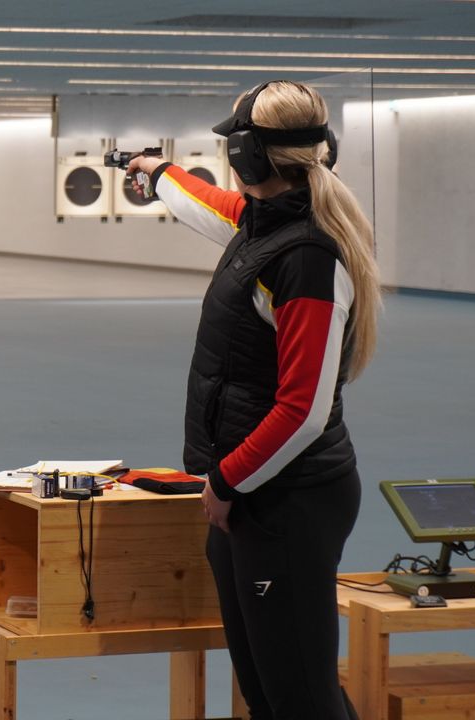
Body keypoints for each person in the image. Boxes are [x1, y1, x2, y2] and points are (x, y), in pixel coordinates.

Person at [127, 80, 381, 719]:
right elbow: (208, 206)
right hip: (252, 498)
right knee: (270, 695)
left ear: (248, 157)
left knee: (301, 699)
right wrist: (158, 172)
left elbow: (303, 410)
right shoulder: (265, 229)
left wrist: (227, 481)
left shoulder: (306, 261)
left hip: (286, 502)